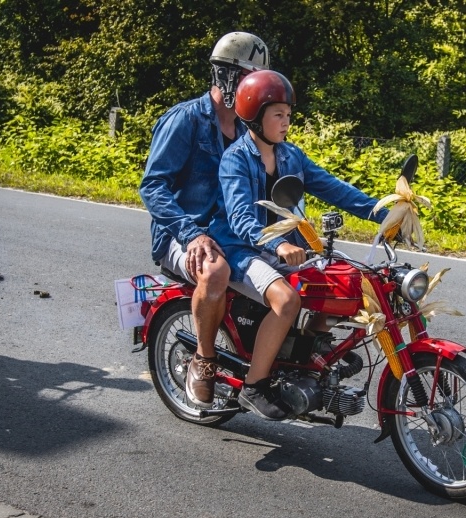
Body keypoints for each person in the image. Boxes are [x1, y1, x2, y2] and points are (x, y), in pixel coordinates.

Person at [210, 70, 388, 420]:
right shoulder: (236, 160)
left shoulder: (291, 156)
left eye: (289, 115)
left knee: (344, 280)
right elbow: (241, 219)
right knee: (286, 298)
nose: (286, 122)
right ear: (254, 115)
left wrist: (383, 213)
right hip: (242, 249)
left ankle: (313, 344)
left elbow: (334, 188)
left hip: (283, 245)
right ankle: (255, 385)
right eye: (278, 114)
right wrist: (277, 246)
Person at [139, 32, 269, 410]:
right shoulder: (186, 120)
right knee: (214, 272)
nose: (253, 90)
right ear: (225, 76)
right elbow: (153, 186)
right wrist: (190, 233)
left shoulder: (249, 133)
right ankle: (203, 360)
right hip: (180, 234)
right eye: (246, 79)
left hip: (228, 235)